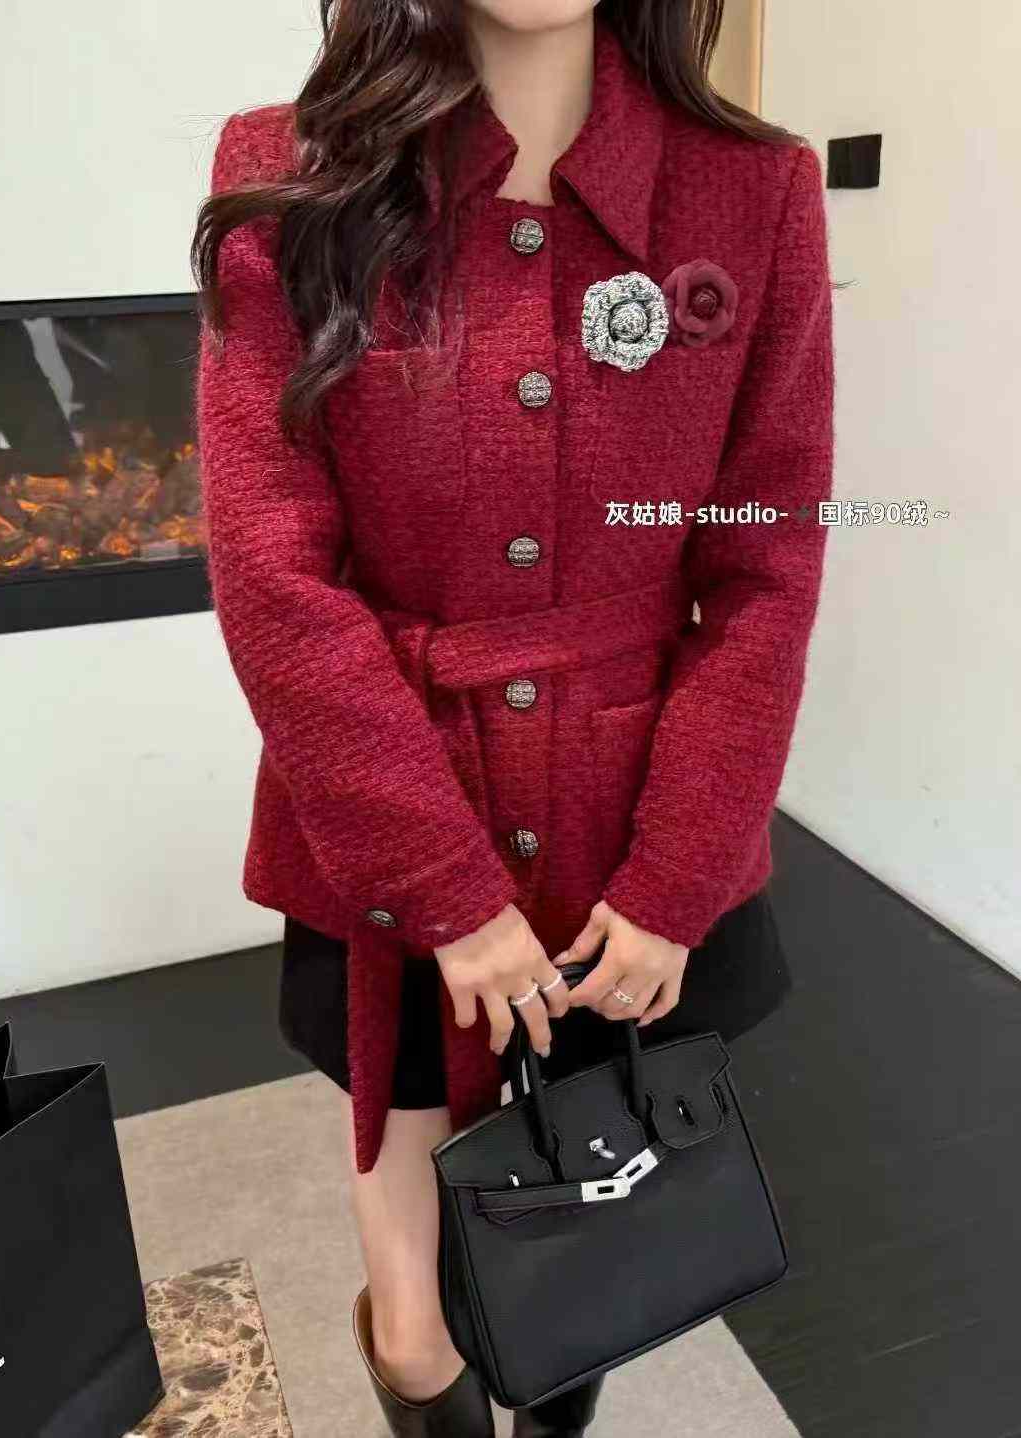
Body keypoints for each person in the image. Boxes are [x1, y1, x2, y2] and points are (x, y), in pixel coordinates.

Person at [192, 2, 834, 1433]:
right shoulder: (293, 174)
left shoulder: (755, 190)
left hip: (632, 855)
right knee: (419, 1333)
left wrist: (677, 879)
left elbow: (764, 567)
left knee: (571, 1285)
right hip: (392, 825)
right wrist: (443, 887)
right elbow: (272, 573)